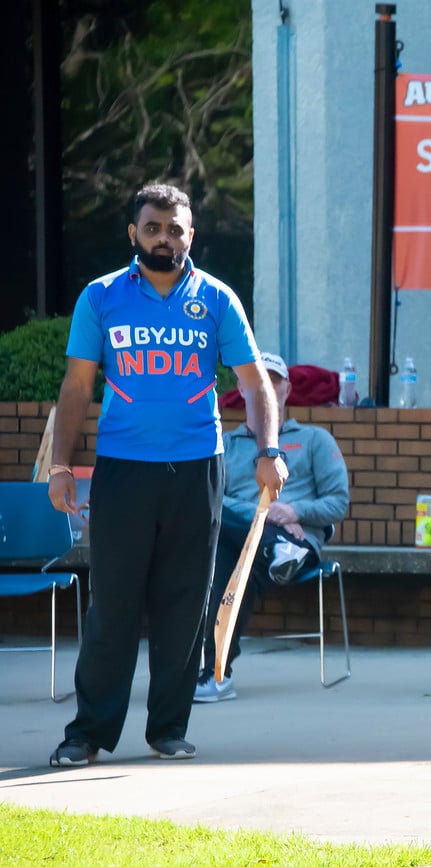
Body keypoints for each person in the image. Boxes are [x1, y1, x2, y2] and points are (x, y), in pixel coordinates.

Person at [44, 183, 286, 767]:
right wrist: (58, 465)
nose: (164, 239)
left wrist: (268, 449)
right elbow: (76, 387)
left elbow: (253, 384)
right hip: (123, 471)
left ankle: (168, 730)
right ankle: (87, 734)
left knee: (184, 605)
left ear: (190, 236)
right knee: (113, 608)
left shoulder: (218, 299)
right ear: (134, 233)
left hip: (198, 469)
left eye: (175, 229)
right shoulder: (101, 298)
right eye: (153, 228)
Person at [195, 351, 350, 700]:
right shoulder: (226, 445)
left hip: (298, 545)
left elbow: (338, 502)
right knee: (228, 547)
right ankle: (272, 545)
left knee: (228, 556)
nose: (265, 385)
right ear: (242, 388)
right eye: (257, 378)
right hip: (255, 543)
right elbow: (211, 500)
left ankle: (214, 676)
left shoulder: (314, 440)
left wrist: (294, 510)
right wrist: (263, 516)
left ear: (287, 390)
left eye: (274, 380)